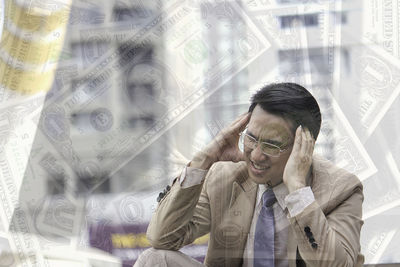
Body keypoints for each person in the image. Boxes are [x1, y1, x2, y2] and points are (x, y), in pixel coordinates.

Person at [134, 82, 364, 267]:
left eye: (272, 145)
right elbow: (162, 238)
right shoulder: (224, 175)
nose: (256, 155)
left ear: (303, 147)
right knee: (153, 260)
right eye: (251, 138)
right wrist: (203, 162)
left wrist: (297, 189)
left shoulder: (342, 189)